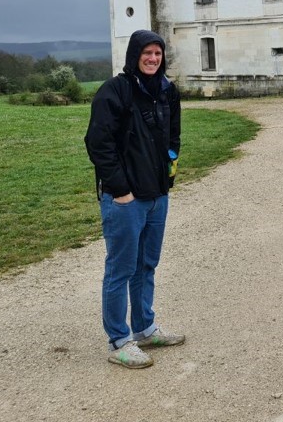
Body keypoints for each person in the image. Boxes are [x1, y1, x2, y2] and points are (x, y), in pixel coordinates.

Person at [85, 29, 184, 368]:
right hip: (125, 199)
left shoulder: (167, 91)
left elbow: (174, 135)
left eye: (157, 53)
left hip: (157, 195)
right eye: (147, 53)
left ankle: (144, 328)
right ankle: (119, 340)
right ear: (134, 55)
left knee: (147, 264)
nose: (153, 59)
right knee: (121, 268)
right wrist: (120, 189)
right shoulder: (115, 92)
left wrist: (168, 169)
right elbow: (98, 144)